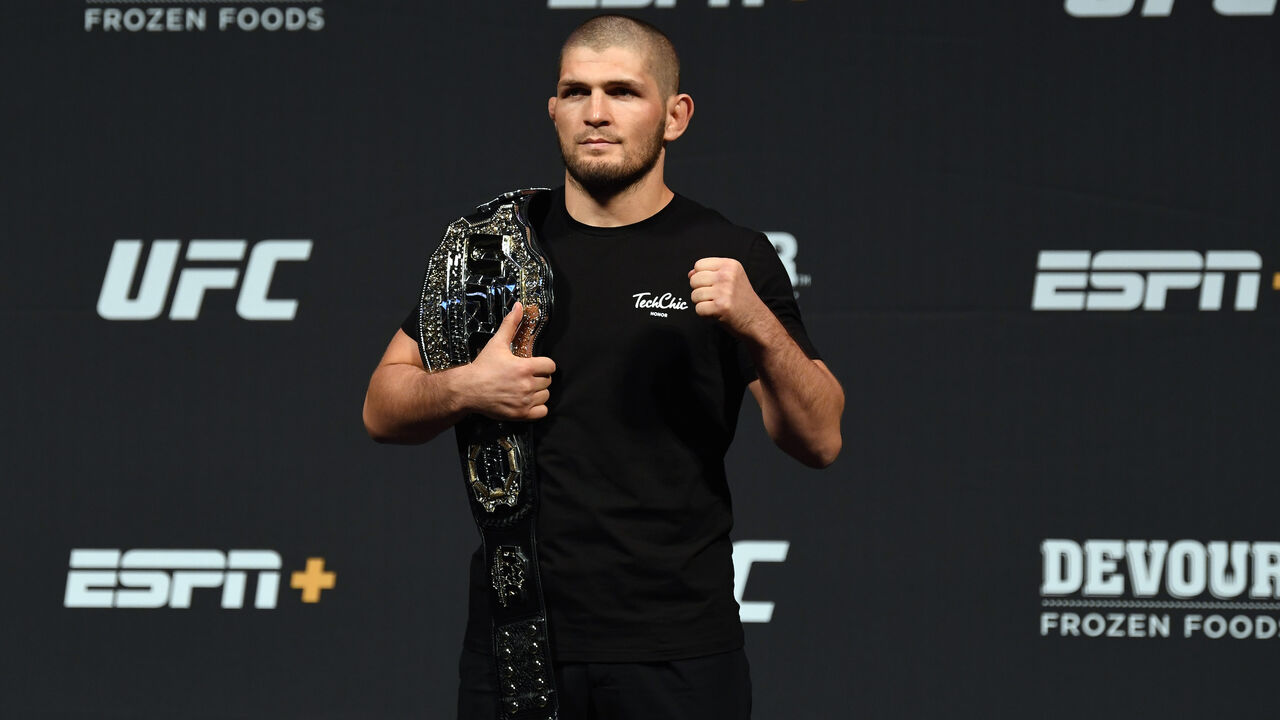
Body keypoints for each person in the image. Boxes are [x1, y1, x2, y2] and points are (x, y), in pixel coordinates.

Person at [363, 14, 844, 720]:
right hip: (518, 639)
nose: (595, 113)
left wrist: (759, 325)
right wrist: (470, 386)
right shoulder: (495, 249)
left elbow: (821, 437)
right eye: (576, 91)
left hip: (677, 647)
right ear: (553, 109)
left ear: (674, 116)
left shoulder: (730, 251)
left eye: (623, 92)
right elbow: (382, 406)